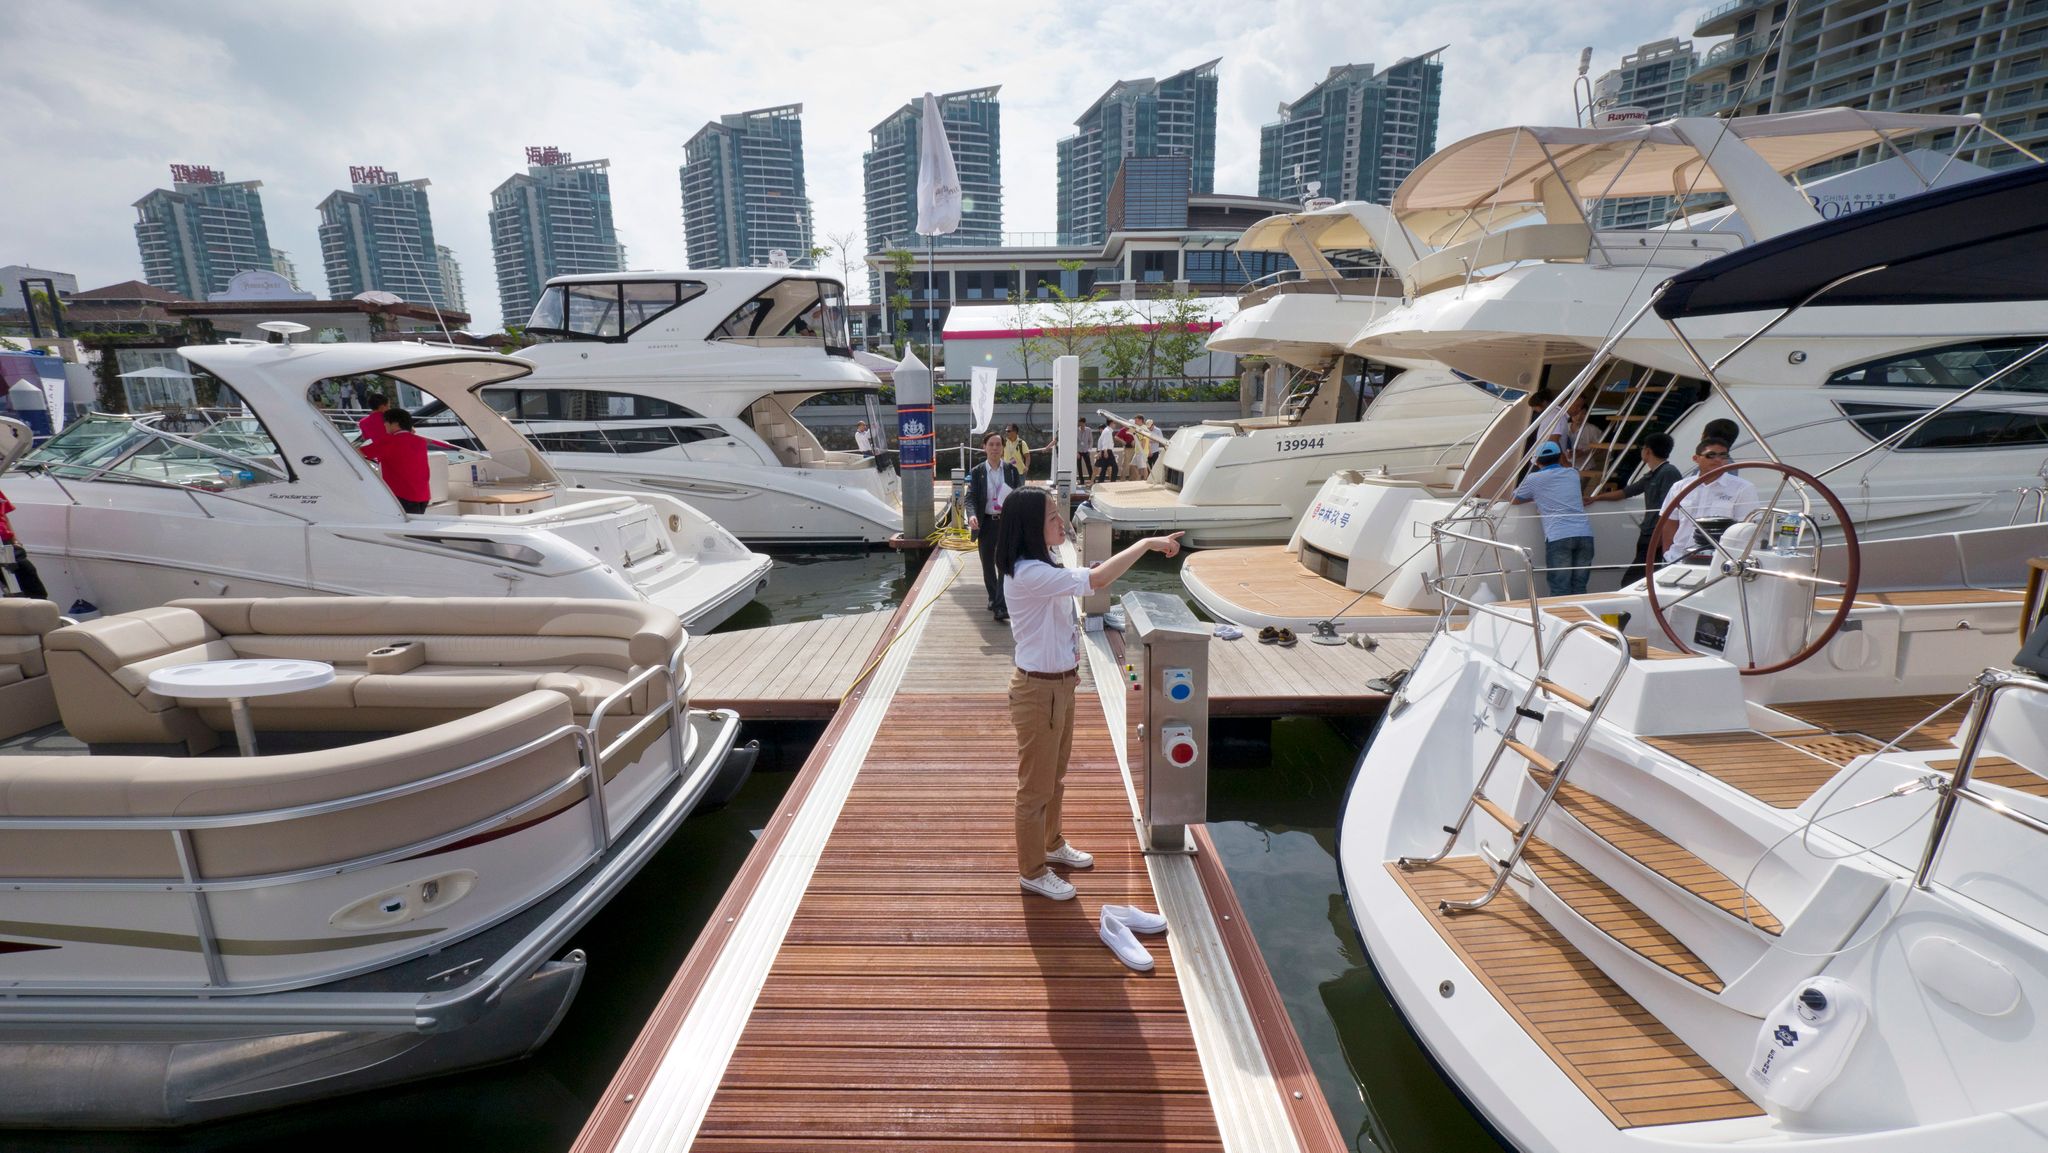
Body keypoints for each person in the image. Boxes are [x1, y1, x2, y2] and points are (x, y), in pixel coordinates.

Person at [996, 485, 1182, 900]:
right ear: (1030, 527)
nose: (1060, 521)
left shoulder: (1046, 563)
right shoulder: (1029, 573)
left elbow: (1062, 621)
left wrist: (1071, 666)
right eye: (1052, 517)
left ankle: (1051, 842)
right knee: (1034, 788)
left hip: (1058, 684)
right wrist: (1146, 544)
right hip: (1037, 692)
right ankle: (1032, 870)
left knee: (1054, 777)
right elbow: (1097, 580)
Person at [1591, 432, 1682, 586]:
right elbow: (1627, 492)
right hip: (1647, 534)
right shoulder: (1653, 474)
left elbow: (1670, 508)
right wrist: (1596, 498)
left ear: (1647, 451)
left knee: (1631, 581)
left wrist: (1660, 538)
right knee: (1642, 579)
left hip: (1655, 535)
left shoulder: (1668, 472)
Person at [1659, 436, 1761, 563]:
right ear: (1696, 458)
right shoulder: (1679, 487)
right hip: (1678, 558)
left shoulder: (1743, 488)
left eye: (1723, 455)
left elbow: (1746, 529)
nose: (1718, 460)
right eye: (1711, 455)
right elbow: (1669, 522)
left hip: (1720, 561)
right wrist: (1668, 553)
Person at [1512, 441, 1596, 596]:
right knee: (1580, 587)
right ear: (1560, 457)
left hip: (1558, 537)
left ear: (1537, 461)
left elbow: (1514, 499)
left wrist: (1537, 496)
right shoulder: (1573, 473)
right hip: (1585, 535)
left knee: (1560, 588)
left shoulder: (1533, 479)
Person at [967, 432, 1023, 621]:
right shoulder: (977, 472)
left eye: (998, 444)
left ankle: (1001, 605)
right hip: (985, 523)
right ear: (984, 447)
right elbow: (970, 497)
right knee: (987, 564)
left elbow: (1019, 495)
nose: (995, 448)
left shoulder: (1011, 470)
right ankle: (993, 597)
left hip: (1005, 523)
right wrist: (972, 515)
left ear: (1003, 448)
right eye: (991, 444)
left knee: (1003, 562)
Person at [360, 407, 433, 514]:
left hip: (403, 495)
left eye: (386, 421)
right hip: (423, 494)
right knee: (416, 522)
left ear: (395, 423)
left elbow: (359, 452)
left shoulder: (389, 441)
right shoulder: (421, 441)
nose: (384, 424)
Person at [0, 488, 48, 599]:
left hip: (7, 544)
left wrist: (15, 541)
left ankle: (36, 604)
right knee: (11, 583)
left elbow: (4, 516)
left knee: (29, 575)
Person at [1075, 419, 1094, 485]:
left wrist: (1089, 450)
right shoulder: (1076, 430)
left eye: (1082, 423)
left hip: (1086, 450)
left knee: (1089, 465)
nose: (1081, 425)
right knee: (1079, 466)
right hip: (1079, 451)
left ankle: (1092, 480)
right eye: (1080, 423)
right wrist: (1076, 452)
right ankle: (1081, 481)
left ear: (1084, 423)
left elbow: (1091, 440)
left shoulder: (1088, 430)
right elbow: (1074, 441)